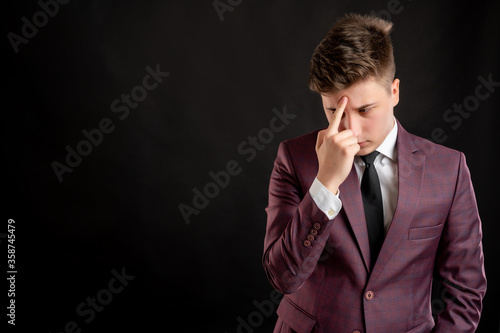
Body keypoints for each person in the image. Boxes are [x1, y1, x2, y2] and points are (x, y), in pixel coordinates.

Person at [262, 13, 486, 333]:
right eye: (334, 111)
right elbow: (283, 277)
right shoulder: (294, 158)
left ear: (394, 92)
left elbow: (466, 290)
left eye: (365, 110)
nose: (351, 128)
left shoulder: (448, 170)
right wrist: (325, 183)